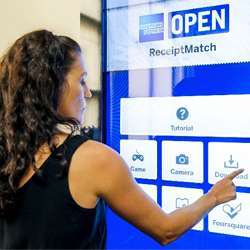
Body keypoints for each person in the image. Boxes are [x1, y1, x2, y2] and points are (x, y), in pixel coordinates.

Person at [0, 30, 243, 249]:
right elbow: (166, 230)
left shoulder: (8, 152)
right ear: (52, 85)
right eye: (81, 80)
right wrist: (213, 197)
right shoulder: (94, 159)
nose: (87, 92)